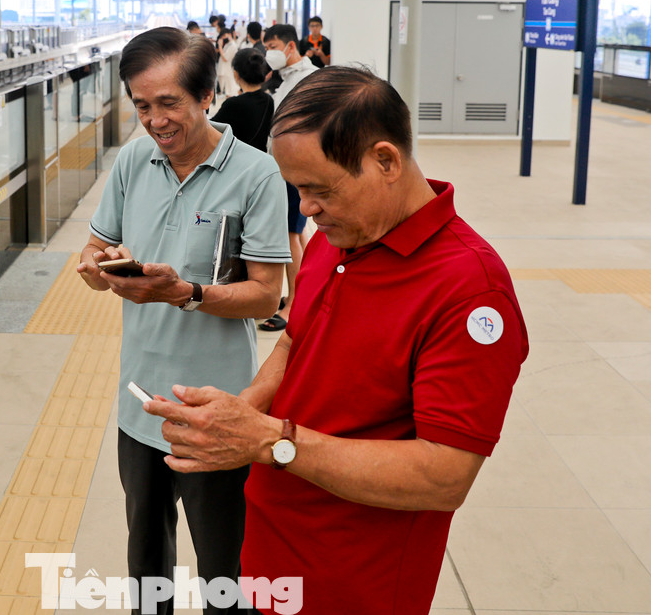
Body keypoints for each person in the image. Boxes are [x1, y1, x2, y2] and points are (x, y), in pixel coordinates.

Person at [145, 65, 529, 615]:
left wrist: (270, 442)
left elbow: (444, 476)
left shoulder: (469, 292)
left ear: (386, 161)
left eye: (320, 189)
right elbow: (295, 341)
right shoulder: (340, 234)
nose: (305, 209)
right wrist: (241, 415)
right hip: (271, 552)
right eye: (297, 189)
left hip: (353, 581)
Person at [77, 27, 290, 615]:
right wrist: (97, 268)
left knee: (225, 569)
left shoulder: (256, 175)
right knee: (146, 564)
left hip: (216, 410)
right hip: (139, 403)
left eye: (168, 103)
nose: (155, 120)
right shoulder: (133, 161)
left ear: (206, 96)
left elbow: (266, 297)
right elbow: (96, 247)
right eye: (142, 105)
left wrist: (185, 294)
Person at [258, 23, 318, 332]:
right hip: (284, 165)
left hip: (296, 167)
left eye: (273, 47)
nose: (269, 53)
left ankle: (294, 305)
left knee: (290, 235)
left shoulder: (308, 79)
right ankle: (305, 293)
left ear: (290, 46)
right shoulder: (287, 77)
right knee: (299, 232)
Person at [211, 47, 273, 152]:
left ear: (236, 74)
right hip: (261, 156)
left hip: (239, 158)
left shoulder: (233, 104)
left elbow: (211, 129)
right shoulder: (269, 100)